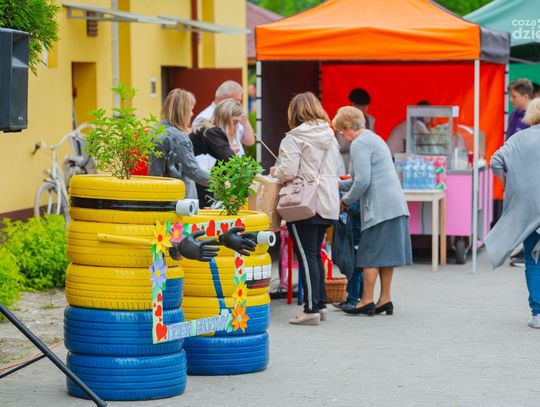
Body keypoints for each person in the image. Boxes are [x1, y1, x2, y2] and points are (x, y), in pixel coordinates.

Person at [270, 92, 341, 326]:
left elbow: (288, 171)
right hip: (326, 200)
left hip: (303, 203)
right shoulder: (329, 135)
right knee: (315, 254)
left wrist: (276, 171)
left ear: (294, 112)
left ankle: (310, 309)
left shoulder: (294, 138)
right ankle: (320, 304)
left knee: (306, 255)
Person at [334, 106, 412, 316]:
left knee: (369, 254)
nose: (342, 134)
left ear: (348, 126)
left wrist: (345, 202)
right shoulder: (373, 138)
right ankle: (384, 299)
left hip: (379, 208)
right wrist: (337, 184)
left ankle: (366, 300)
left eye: (341, 130)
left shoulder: (359, 144)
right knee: (386, 255)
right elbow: (360, 179)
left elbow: (363, 181)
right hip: (394, 205)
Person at [485, 98, 540, 329]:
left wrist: (507, 183)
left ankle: (537, 314)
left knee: (533, 260)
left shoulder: (519, 138)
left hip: (529, 209)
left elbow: (495, 161)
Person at [148, 88, 210, 200]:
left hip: (158, 193)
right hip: (180, 198)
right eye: (191, 110)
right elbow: (194, 171)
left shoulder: (156, 131)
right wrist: (220, 182)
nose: (192, 114)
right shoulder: (178, 138)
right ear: (183, 112)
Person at [505, 79, 535, 267]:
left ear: (525, 96)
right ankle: (526, 248)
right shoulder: (514, 115)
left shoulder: (534, 118)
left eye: (514, 96)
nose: (511, 100)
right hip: (515, 174)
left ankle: (529, 252)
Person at [189, 99, 238, 207]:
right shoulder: (213, 132)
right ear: (226, 119)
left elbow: (222, 166)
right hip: (195, 183)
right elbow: (231, 161)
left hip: (195, 180)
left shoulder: (208, 130)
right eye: (235, 122)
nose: (236, 127)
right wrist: (256, 175)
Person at [192, 80, 255, 156]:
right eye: (236, 100)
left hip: (232, 160)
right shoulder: (205, 117)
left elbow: (249, 142)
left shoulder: (234, 115)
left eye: (240, 101)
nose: (239, 104)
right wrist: (229, 151)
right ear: (223, 98)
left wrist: (245, 121)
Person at [337, 88, 374, 171]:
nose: (364, 109)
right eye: (361, 106)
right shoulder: (343, 120)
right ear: (353, 105)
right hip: (348, 163)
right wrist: (355, 139)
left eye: (366, 106)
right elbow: (340, 146)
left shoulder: (370, 120)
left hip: (366, 161)